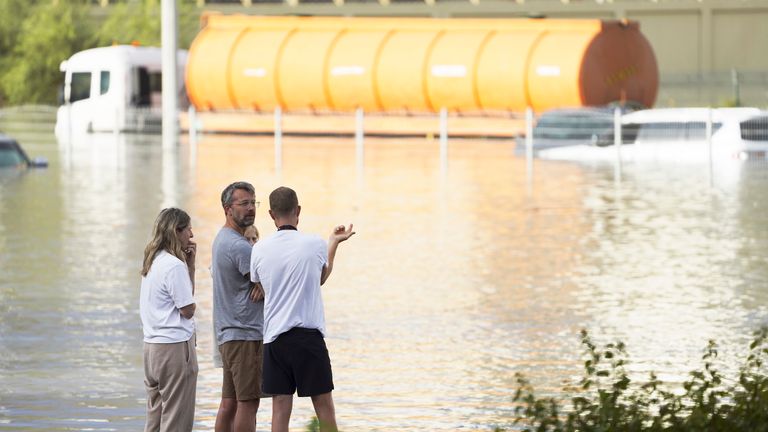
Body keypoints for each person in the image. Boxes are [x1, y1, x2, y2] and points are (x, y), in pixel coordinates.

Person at [249, 186, 355, 432]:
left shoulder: (259, 249)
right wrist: (333, 243)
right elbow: (321, 277)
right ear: (298, 211)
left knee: (280, 410)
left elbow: (259, 282)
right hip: (308, 338)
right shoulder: (314, 243)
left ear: (271, 215)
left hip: (275, 339)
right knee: (324, 407)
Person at [212, 182, 265, 432]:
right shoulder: (239, 246)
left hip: (229, 333)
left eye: (253, 203)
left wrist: (262, 284)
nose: (251, 208)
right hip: (244, 334)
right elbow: (270, 282)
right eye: (243, 203)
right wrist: (264, 285)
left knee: (230, 402)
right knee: (248, 402)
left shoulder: (222, 238)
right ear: (227, 208)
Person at [139, 207, 198, 432]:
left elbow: (180, 298)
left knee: (155, 418)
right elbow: (187, 309)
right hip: (173, 348)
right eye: (188, 230)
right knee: (177, 420)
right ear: (176, 231)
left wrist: (190, 266)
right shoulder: (173, 266)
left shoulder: (153, 261)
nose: (191, 236)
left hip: (151, 348)